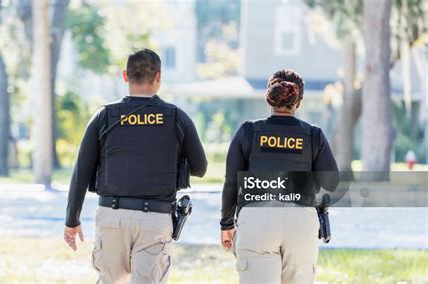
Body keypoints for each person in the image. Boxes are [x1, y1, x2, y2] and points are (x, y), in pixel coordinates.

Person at [64, 49, 207, 284]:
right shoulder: (177, 118)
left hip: (112, 216)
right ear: (159, 77)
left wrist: (72, 220)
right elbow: (200, 168)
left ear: (125, 76)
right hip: (155, 220)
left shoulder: (104, 116)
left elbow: (82, 171)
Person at [220, 69, 339, 284]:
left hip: (257, 219)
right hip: (301, 220)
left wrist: (226, 224)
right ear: (298, 102)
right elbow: (331, 182)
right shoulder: (313, 135)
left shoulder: (249, 131)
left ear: (270, 99)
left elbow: (231, 182)